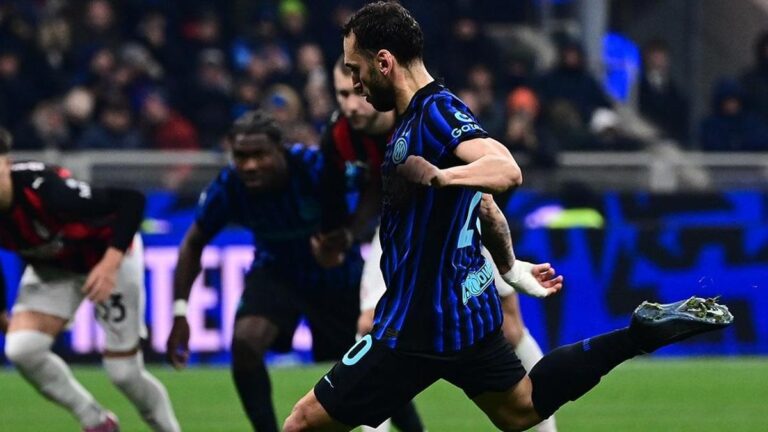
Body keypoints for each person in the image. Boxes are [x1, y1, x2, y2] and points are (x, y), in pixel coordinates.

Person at [282, 3, 733, 431]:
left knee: (301, 423)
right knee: (520, 408)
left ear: (384, 62)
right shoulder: (429, 113)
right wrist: (511, 268)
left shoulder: (434, 114)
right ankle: (637, 335)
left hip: (416, 325)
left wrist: (441, 177)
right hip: (464, 314)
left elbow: (506, 169)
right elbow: (484, 203)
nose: (356, 84)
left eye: (355, 70)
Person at [322, 54, 559, 432]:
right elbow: (372, 190)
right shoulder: (340, 137)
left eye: (355, 90)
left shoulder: (418, 116)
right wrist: (345, 233)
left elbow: (489, 179)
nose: (351, 103)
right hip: (401, 233)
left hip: (461, 227)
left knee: (510, 328)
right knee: (370, 326)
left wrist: (493, 240)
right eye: (341, 94)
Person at [165, 110, 362, 432]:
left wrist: (349, 234)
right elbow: (193, 243)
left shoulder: (315, 166)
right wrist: (180, 312)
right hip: (276, 271)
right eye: (241, 156)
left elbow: (373, 185)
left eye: (260, 155)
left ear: (280, 149)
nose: (250, 165)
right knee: (245, 343)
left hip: (336, 273)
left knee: (373, 359)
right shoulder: (229, 185)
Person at [0, 127, 180, 432]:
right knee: (22, 349)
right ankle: (96, 421)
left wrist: (109, 265)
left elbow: (131, 201)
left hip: (109, 255)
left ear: (6, 163)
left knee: (124, 373)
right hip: (54, 269)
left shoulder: (44, 190)